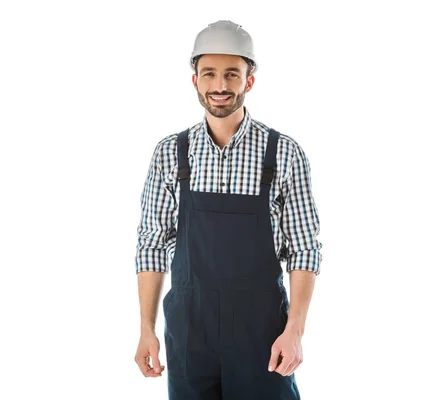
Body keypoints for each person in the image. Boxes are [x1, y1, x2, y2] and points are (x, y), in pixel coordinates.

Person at [134, 20, 323, 399]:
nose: (220, 86)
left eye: (231, 74)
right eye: (210, 74)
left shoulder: (284, 153)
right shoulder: (170, 154)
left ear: (248, 81)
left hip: (263, 335)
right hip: (190, 333)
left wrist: (295, 331)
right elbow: (151, 244)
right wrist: (146, 328)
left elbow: (305, 248)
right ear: (195, 81)